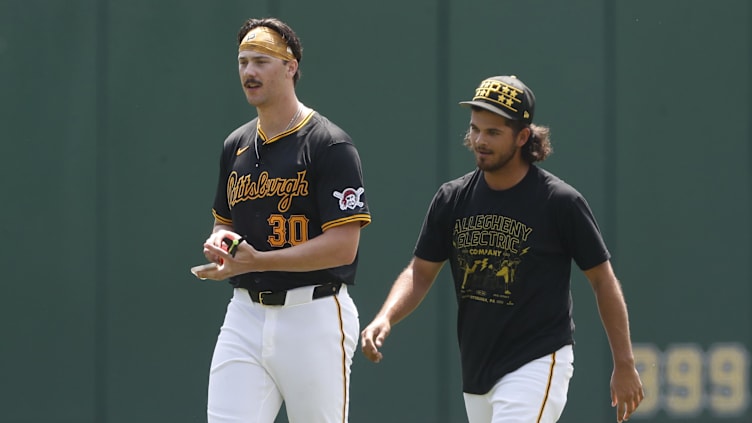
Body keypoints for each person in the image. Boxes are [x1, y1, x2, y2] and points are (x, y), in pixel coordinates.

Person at [360, 75, 643, 423]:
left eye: (493, 132)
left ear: (523, 137)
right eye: (475, 129)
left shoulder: (559, 202)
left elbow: (603, 280)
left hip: (538, 361)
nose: (480, 140)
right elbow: (419, 272)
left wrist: (624, 363)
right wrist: (386, 317)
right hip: (478, 370)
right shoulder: (452, 199)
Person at [193, 17, 371, 423]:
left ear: (290, 67)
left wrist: (259, 260)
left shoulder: (329, 144)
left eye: (261, 61)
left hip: (315, 313)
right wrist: (221, 245)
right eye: (242, 62)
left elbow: (344, 245)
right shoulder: (235, 144)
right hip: (245, 314)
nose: (249, 72)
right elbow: (224, 223)